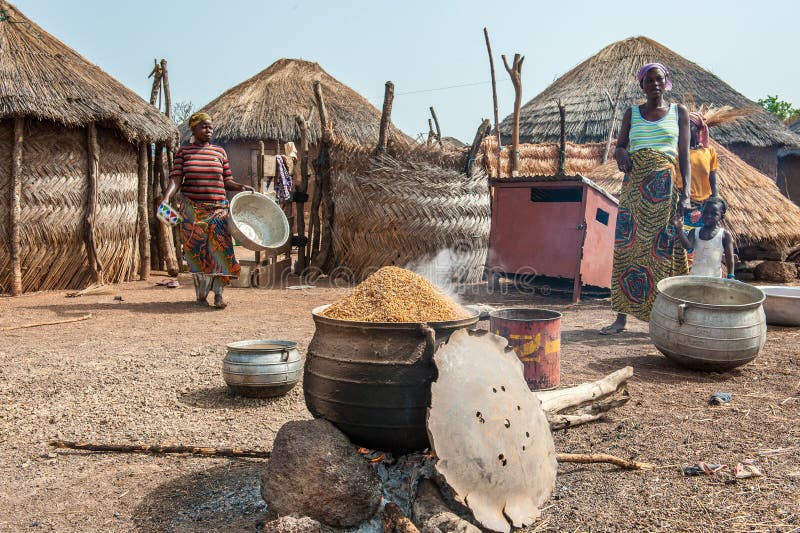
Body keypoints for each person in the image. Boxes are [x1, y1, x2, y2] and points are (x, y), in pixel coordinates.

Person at [600, 63, 692, 334]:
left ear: (667, 82)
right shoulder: (632, 113)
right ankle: (621, 318)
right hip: (634, 189)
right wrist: (620, 153)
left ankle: (664, 318)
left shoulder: (679, 113)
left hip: (664, 191)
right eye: (649, 81)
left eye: (659, 79)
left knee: (662, 249)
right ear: (642, 85)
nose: (654, 84)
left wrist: (685, 194)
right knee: (627, 248)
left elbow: (683, 156)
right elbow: (620, 146)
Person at [161, 112, 253, 308]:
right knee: (197, 253)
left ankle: (219, 295)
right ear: (193, 129)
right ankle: (201, 294)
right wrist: (167, 197)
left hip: (218, 210)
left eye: (210, 126)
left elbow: (226, 180)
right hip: (192, 211)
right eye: (203, 126)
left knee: (221, 251)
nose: (208, 130)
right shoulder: (184, 153)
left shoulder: (219, 152)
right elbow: (176, 178)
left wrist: (239, 187)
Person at [677, 112, 719, 242]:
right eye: (681, 125)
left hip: (702, 210)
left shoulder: (709, 152)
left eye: (689, 125)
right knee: (678, 247)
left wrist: (713, 206)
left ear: (698, 130)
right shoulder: (676, 151)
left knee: (699, 246)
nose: (684, 129)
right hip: (680, 206)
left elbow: (713, 183)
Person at [671, 197, 735, 278]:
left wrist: (731, 276)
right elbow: (688, 246)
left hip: (714, 280)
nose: (708, 216)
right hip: (695, 278)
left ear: (721, 216)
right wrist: (679, 229)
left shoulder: (724, 235)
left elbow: (730, 259)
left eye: (714, 213)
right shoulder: (694, 232)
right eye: (705, 212)